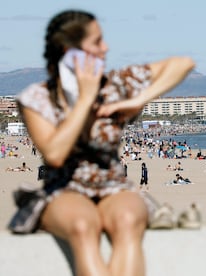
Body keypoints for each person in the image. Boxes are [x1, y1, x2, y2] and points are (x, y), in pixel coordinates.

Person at [12, 9, 194, 276]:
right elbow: (54, 154)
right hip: (63, 189)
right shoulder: (37, 98)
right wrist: (85, 100)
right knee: (84, 227)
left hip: (113, 185)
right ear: (70, 51)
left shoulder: (115, 85)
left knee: (128, 221)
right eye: (97, 42)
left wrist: (138, 99)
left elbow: (183, 64)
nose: (106, 47)